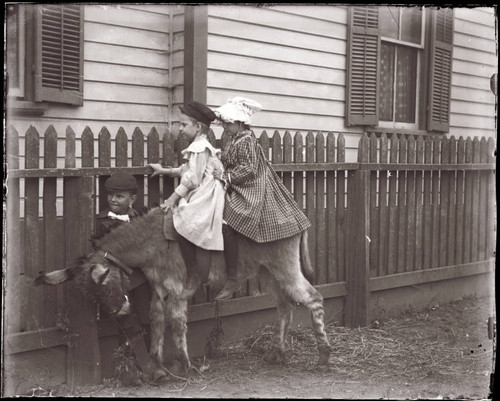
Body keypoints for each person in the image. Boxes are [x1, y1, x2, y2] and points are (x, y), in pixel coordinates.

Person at [212, 96, 311, 300]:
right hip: (239, 183)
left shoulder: (247, 141)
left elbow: (248, 169)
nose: (225, 125)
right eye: (225, 122)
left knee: (227, 221)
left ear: (241, 123)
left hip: (250, 187)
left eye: (229, 122)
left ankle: (233, 275)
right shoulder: (234, 139)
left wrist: (225, 176)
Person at [147, 100, 225, 299]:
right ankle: (197, 274)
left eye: (184, 124)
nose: (180, 129)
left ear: (198, 127)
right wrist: (165, 170)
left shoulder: (199, 147)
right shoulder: (198, 146)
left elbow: (192, 178)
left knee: (188, 222)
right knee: (188, 223)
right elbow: (187, 170)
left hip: (206, 194)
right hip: (202, 189)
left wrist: (173, 198)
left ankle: (196, 276)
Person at [95, 171, 140, 240]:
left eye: (119, 196)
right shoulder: (97, 221)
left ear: (132, 199)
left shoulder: (139, 221)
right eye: (110, 194)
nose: (112, 199)